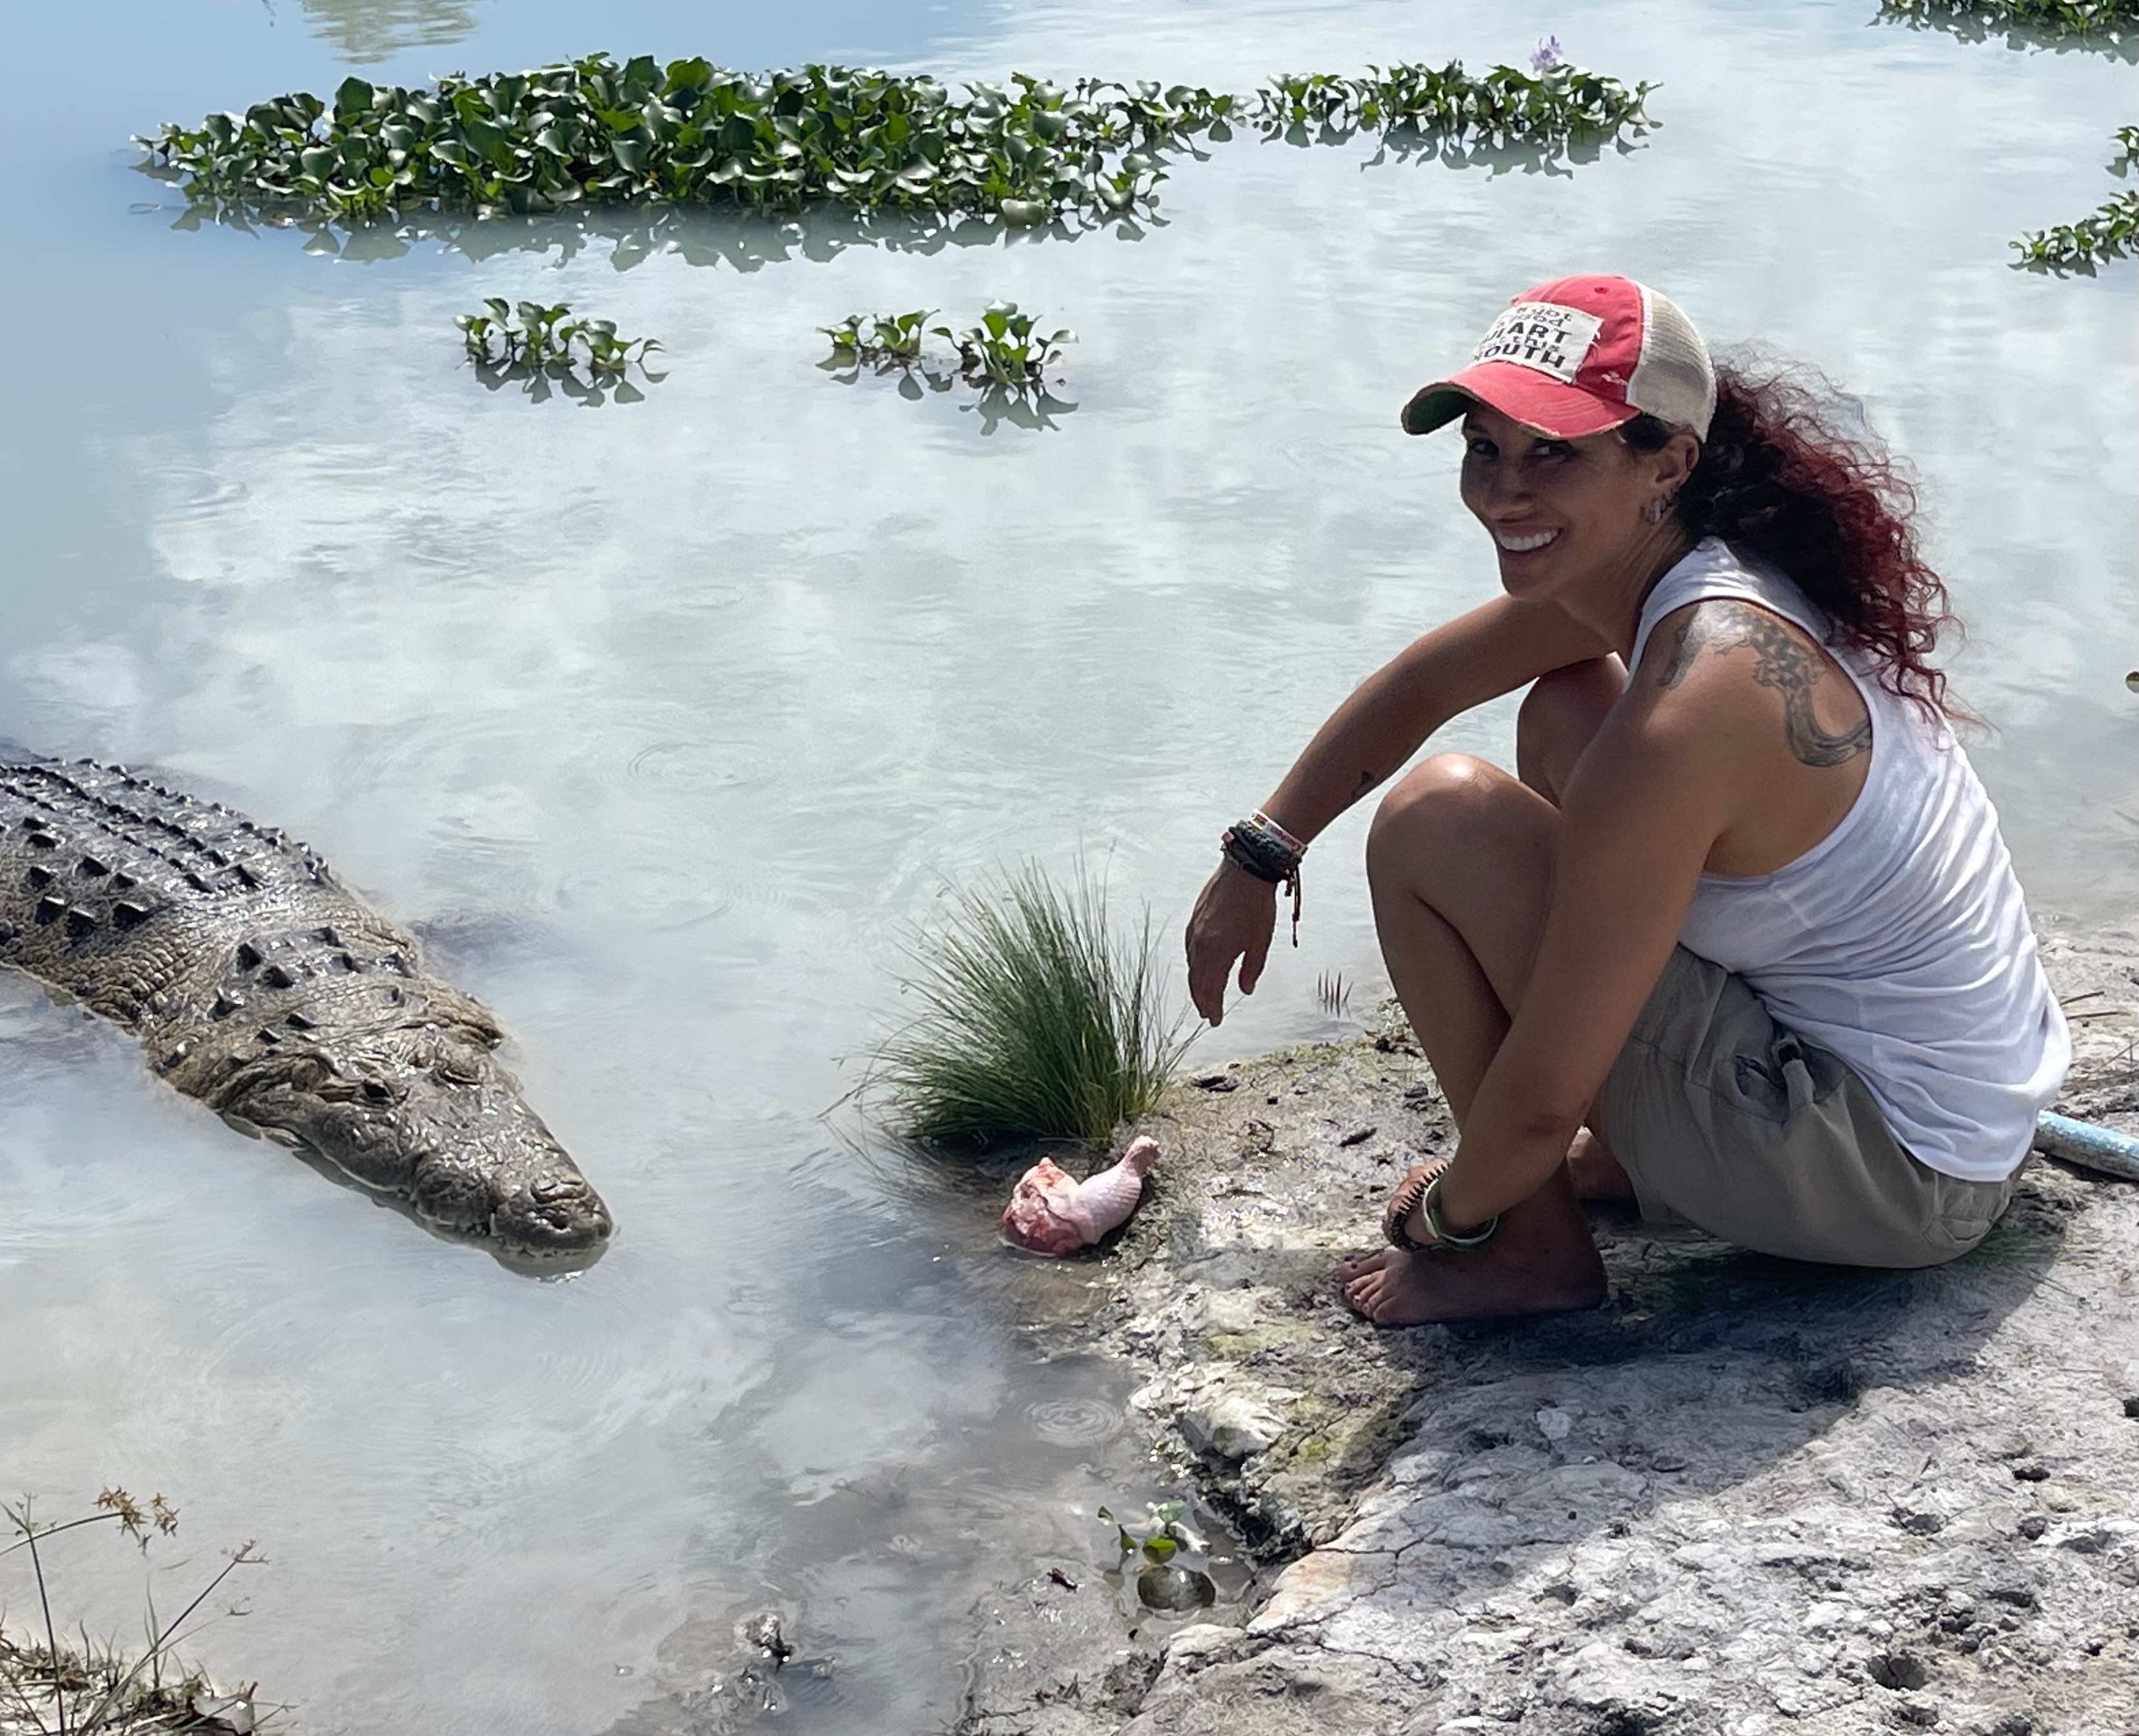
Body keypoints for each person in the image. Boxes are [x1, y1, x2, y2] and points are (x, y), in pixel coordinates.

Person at [1182, 274, 2071, 1327]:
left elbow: (1537, 1104)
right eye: (1485, 450)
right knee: (1564, 711)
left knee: (1435, 818)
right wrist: (1260, 854)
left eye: (1554, 452)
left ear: (1669, 461)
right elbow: (1428, 684)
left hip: (1896, 1182)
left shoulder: (1698, 696)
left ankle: (1528, 1256)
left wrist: (1450, 1210)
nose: (1505, 493)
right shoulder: (1704, 568)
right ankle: (1638, 1151)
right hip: (1947, 1118)